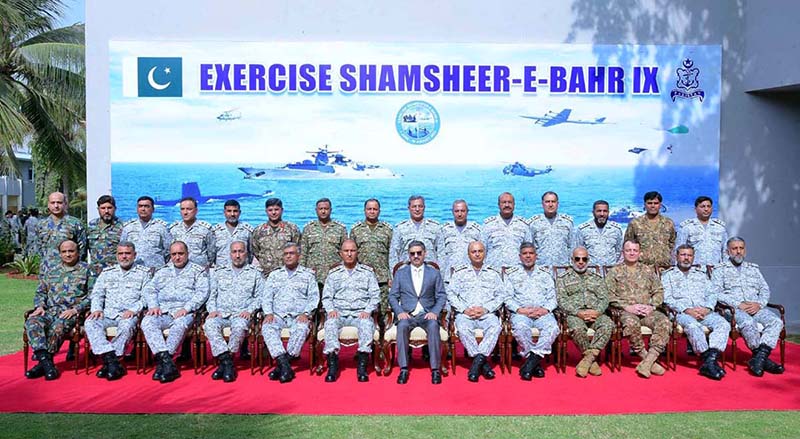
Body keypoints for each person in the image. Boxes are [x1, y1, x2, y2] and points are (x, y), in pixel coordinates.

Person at [712, 237, 784, 376]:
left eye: (741, 248)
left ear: (745, 250)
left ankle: (759, 358)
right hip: (733, 310)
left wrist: (759, 304)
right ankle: (762, 359)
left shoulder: (753, 269)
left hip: (755, 307)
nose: (738, 251)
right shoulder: (720, 270)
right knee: (748, 322)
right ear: (728, 251)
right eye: (734, 248)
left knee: (776, 322)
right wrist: (737, 304)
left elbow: (764, 290)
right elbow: (715, 293)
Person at [141, 241, 209, 383]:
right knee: (147, 322)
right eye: (174, 254)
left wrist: (187, 308)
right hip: (163, 311)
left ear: (187, 254)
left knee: (179, 325)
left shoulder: (198, 271)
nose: (177, 257)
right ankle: (167, 363)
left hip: (185, 312)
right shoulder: (162, 271)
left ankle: (163, 364)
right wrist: (153, 305)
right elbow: (149, 289)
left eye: (180, 254)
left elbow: (202, 292)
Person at [24, 240, 91, 380]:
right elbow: (41, 292)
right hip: (51, 311)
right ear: (60, 254)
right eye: (64, 252)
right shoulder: (51, 271)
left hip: (72, 313)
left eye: (71, 251)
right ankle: (46, 363)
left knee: (58, 326)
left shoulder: (87, 270)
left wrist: (75, 310)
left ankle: (42, 365)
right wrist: (40, 306)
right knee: (32, 322)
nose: (68, 254)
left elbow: (93, 296)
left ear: (77, 252)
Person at [84, 242, 150, 380]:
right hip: (107, 314)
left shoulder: (144, 273)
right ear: (116, 255)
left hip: (128, 315)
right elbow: (97, 294)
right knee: (90, 323)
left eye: (127, 253)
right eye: (121, 253)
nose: (124, 256)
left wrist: (134, 310)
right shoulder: (107, 273)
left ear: (134, 255)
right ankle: (112, 360)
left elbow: (147, 297)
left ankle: (111, 363)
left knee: (126, 326)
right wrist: (96, 309)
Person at [662, 244, 729, 380]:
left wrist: (707, 308)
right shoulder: (668, 275)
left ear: (693, 257)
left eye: (689, 255)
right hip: (680, 313)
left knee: (723, 324)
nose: (686, 258)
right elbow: (666, 298)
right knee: (693, 326)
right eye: (683, 255)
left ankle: (710, 359)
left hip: (703, 311)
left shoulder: (701, 275)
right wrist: (687, 310)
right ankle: (707, 359)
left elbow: (712, 294)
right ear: (677, 256)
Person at [606, 239, 671, 378]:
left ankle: (649, 360)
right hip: (626, 311)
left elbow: (659, 290)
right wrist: (627, 307)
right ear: (623, 252)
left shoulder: (648, 270)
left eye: (635, 250)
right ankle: (645, 358)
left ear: (640, 253)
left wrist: (652, 306)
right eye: (628, 250)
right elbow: (608, 295)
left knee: (664, 322)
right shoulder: (614, 271)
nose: (632, 253)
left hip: (647, 311)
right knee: (631, 324)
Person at [321, 239, 380, 383]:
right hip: (339, 312)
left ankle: (362, 364)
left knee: (366, 324)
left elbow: (375, 295)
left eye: (352, 251)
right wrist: (331, 310)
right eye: (346, 251)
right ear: (340, 253)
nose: (349, 254)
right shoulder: (334, 274)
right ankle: (332, 364)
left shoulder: (367, 273)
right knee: (330, 324)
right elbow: (327, 297)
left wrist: (368, 310)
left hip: (360, 312)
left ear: (357, 253)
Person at [203, 241, 263, 382]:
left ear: (246, 254)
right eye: (234, 252)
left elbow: (260, 296)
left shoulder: (255, 273)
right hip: (221, 313)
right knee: (209, 324)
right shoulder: (219, 272)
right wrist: (212, 310)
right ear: (230, 254)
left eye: (241, 251)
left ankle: (225, 363)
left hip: (241, 314)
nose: (237, 255)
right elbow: (212, 294)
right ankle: (227, 361)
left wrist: (250, 310)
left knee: (240, 326)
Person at [388, 241, 447, 384]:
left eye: (419, 253)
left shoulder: (434, 273)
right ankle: (403, 368)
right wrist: (400, 311)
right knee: (401, 326)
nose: (416, 256)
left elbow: (441, 295)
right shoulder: (401, 273)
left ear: (424, 254)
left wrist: (434, 312)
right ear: (408, 255)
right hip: (407, 314)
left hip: (427, 314)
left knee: (433, 325)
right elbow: (392, 296)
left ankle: (435, 369)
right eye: (412, 253)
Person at [447, 241, 506, 382]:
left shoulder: (493, 273)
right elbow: (451, 294)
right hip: (466, 314)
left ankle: (477, 362)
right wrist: (464, 309)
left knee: (495, 326)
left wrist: (486, 309)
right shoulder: (460, 273)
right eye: (474, 252)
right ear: (469, 254)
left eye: (480, 251)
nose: (477, 254)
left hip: (487, 313)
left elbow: (501, 295)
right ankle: (483, 364)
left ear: (485, 253)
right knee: (462, 328)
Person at [262, 243, 319, 383]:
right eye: (286, 253)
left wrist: (306, 313)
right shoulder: (274, 275)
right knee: (267, 327)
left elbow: (314, 297)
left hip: (299, 315)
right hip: (278, 315)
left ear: (298, 256)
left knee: (302, 328)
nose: (288, 256)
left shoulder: (307, 275)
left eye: (292, 253)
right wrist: (268, 313)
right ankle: (285, 365)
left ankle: (282, 366)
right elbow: (266, 297)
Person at [556, 247, 614, 377]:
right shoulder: (563, 278)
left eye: (584, 259)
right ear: (572, 260)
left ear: (588, 260)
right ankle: (591, 361)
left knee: (607, 324)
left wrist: (597, 312)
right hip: (575, 315)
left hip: (595, 313)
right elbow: (561, 300)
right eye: (577, 259)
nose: (580, 262)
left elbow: (604, 298)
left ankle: (587, 360)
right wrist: (578, 313)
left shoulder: (597, 277)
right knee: (576, 329)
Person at [506, 242, 560, 380]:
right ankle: (534, 363)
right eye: (525, 254)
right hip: (521, 313)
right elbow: (507, 297)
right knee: (519, 328)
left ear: (536, 256)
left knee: (553, 328)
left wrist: (545, 309)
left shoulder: (545, 273)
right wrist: (520, 310)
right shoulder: (512, 274)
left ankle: (531, 361)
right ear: (520, 256)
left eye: (531, 253)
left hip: (542, 313)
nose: (528, 256)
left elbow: (553, 296)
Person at [349, 198, 393, 318]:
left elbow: (392, 254)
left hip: (382, 277)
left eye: (375, 209)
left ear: (379, 211)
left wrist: (391, 276)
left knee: (383, 311)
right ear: (364, 211)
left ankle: (383, 334)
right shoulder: (356, 230)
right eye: (369, 209)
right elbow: (350, 254)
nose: (372, 211)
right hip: (362, 277)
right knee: (363, 310)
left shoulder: (387, 230)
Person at [35, 192, 87, 274]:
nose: (56, 206)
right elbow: (39, 247)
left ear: (65, 204)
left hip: (70, 272)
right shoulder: (41, 225)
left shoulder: (75, 223)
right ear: (48, 205)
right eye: (53, 203)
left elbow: (82, 249)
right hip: (47, 271)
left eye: (59, 202)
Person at [301, 198, 347, 287]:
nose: (323, 211)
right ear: (316, 210)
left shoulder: (340, 229)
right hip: (313, 275)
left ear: (330, 210)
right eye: (320, 209)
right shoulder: (308, 228)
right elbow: (303, 253)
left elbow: (345, 252)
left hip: (334, 275)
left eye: (326, 209)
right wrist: (303, 273)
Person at [623, 191, 676, 267]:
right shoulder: (635, 223)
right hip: (642, 268)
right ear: (645, 204)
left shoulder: (669, 223)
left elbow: (672, 242)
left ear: (660, 205)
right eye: (650, 203)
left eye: (656, 203)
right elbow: (627, 244)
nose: (653, 206)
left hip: (664, 268)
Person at [481, 192, 531, 270]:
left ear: (514, 204)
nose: (507, 205)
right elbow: (481, 250)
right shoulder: (488, 225)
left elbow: (529, 250)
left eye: (510, 202)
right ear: (499, 205)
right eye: (504, 202)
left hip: (517, 272)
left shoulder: (523, 225)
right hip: (494, 272)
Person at [250, 198, 301, 275]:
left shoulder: (292, 229)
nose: (273, 213)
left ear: (282, 210)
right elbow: (255, 251)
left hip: (287, 273)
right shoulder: (259, 231)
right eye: (270, 210)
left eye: (276, 209)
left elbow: (298, 249)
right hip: (266, 274)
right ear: (266, 211)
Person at [436, 200, 481, 283]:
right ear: (452, 212)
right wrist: (441, 278)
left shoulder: (476, 230)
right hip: (449, 278)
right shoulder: (444, 229)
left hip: (470, 278)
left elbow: (482, 255)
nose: (460, 214)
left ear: (467, 212)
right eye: (457, 211)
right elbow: (440, 255)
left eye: (462, 211)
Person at [120, 196, 173, 268]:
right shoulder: (128, 228)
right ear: (137, 209)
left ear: (153, 209)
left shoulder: (161, 228)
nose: (143, 209)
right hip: (134, 271)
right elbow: (122, 249)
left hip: (156, 271)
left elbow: (169, 251)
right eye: (140, 206)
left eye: (146, 206)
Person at [389, 195, 440, 269]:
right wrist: (395, 275)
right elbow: (393, 254)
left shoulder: (435, 227)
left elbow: (441, 254)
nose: (417, 209)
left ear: (424, 208)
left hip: (430, 273)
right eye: (414, 206)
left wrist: (441, 275)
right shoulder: (400, 228)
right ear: (409, 208)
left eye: (420, 206)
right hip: (406, 273)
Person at [676, 196, 728, 268]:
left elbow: (725, 251)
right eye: (702, 206)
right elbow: (679, 251)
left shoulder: (720, 228)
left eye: (708, 206)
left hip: (716, 270)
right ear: (695, 209)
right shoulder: (687, 227)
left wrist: (725, 269)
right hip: (694, 271)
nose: (706, 209)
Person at [529, 191, 575, 267]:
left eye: (553, 201)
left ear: (557, 203)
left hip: (562, 269)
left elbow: (572, 247)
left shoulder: (567, 222)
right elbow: (530, 249)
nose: (550, 204)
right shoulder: (534, 223)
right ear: (542, 204)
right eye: (547, 202)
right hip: (541, 269)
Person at [169, 197, 215, 268]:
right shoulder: (173, 229)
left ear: (196, 211)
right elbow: (167, 251)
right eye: (182, 209)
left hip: (200, 271)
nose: (185, 212)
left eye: (189, 209)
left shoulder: (205, 229)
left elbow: (212, 253)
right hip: (180, 271)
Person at [574, 200, 623, 267]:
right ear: (593, 212)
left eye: (605, 211)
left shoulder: (616, 229)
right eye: (599, 211)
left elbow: (619, 251)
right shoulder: (583, 229)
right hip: (590, 272)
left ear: (608, 212)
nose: (602, 214)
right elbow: (578, 251)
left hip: (610, 272)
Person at [87, 195, 124, 277]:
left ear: (115, 209)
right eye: (103, 208)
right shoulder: (91, 226)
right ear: (98, 209)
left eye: (109, 208)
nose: (106, 211)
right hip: (95, 272)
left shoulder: (123, 226)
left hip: (115, 272)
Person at [212, 200, 253, 267]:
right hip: (221, 272)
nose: (232, 214)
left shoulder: (247, 230)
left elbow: (251, 252)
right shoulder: (215, 231)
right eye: (229, 211)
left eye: (235, 211)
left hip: (243, 271)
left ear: (239, 212)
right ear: (224, 212)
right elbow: (211, 253)